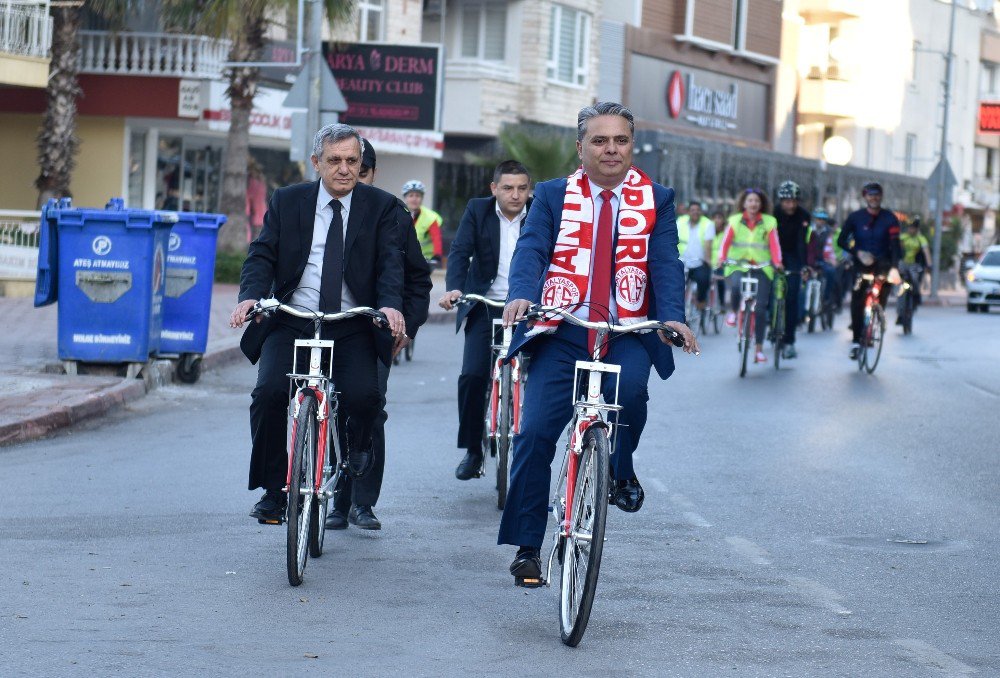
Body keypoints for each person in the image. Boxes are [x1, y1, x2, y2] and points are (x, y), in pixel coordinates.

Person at [497, 102, 698, 583]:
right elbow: (533, 248)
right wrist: (523, 294)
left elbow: (665, 262)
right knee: (534, 434)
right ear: (580, 146)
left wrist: (672, 317)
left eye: (621, 140)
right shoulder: (550, 194)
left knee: (630, 392)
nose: (611, 149)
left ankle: (620, 467)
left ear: (632, 145)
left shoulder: (658, 197)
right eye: (600, 140)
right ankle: (528, 546)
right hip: (562, 328)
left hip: (625, 328)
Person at [229, 123, 406, 524]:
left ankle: (357, 448)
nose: (344, 169)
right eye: (334, 161)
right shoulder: (288, 201)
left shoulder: (380, 207)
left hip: (350, 322)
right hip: (293, 319)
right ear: (316, 163)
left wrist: (391, 308)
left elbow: (390, 265)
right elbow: (261, 256)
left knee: (365, 398)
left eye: (352, 161)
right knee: (269, 394)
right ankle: (274, 491)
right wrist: (250, 297)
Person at [324, 139, 432, 531]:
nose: (350, 177)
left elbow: (417, 279)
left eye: (360, 170)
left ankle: (361, 503)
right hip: (323, 326)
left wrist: (408, 325)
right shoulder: (320, 210)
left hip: (373, 332)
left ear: (370, 173)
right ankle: (331, 497)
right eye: (338, 164)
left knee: (368, 411)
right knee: (323, 406)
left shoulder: (391, 213)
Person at [438, 160, 532, 481]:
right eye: (507, 188)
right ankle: (473, 451)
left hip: (527, 308)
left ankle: (528, 448)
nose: (515, 195)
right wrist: (454, 288)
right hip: (484, 304)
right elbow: (461, 251)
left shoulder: (539, 212)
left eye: (521, 188)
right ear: (494, 189)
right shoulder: (478, 210)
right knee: (473, 376)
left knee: (538, 379)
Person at [718, 188, 784, 364]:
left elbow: (774, 244)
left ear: (761, 204)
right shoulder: (735, 220)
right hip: (739, 264)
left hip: (762, 267)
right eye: (750, 201)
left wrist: (777, 262)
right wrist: (721, 258)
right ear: (744, 203)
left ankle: (759, 350)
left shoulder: (769, 222)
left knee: (761, 308)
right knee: (736, 287)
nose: (753, 204)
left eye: (756, 201)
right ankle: (733, 312)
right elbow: (726, 241)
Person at [837, 181, 901, 359]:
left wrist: (895, 268)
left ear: (881, 197)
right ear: (865, 197)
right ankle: (857, 340)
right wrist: (857, 252)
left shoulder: (890, 218)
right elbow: (841, 240)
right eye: (870, 195)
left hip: (884, 263)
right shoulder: (855, 217)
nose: (874, 198)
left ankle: (878, 317)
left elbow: (896, 245)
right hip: (861, 264)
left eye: (877, 194)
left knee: (882, 293)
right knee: (857, 300)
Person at [774, 180, 809, 359]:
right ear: (781, 201)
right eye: (786, 201)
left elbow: (802, 242)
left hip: (794, 255)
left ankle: (789, 341)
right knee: (770, 292)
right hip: (775, 254)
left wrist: (803, 266)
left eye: (794, 201)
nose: (790, 205)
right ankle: (771, 324)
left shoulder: (803, 216)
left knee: (792, 297)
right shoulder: (773, 213)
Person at [676, 200, 716, 320]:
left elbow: (708, 244)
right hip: (682, 261)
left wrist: (708, 260)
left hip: (700, 261)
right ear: (688, 212)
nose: (695, 212)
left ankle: (700, 301)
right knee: (676, 284)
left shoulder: (708, 224)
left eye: (698, 210)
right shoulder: (680, 221)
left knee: (704, 280)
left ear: (701, 212)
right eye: (693, 210)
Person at [402, 180, 444, 267]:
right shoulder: (397, 214)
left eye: (418, 196)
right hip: (403, 257)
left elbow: (437, 239)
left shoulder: (430, 217)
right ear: (405, 198)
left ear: (422, 198)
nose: (414, 199)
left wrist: (437, 255)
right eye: (411, 195)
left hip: (425, 259)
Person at [805, 209, 839, 311]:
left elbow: (831, 247)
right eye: (819, 219)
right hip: (810, 259)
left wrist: (832, 259)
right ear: (815, 219)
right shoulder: (809, 230)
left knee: (831, 272)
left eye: (823, 219)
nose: (821, 221)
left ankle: (826, 298)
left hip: (825, 259)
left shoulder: (829, 232)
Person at [899, 217, 931, 308]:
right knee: (897, 281)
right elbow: (896, 248)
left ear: (917, 229)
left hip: (914, 265)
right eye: (910, 227)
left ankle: (916, 296)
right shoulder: (903, 237)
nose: (911, 229)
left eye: (913, 228)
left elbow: (926, 252)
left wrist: (929, 264)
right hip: (903, 264)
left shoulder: (921, 239)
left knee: (915, 279)